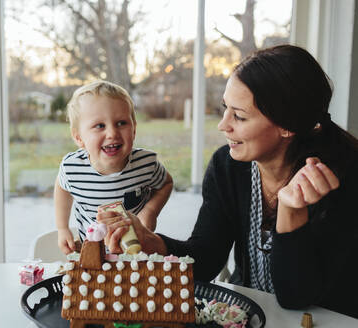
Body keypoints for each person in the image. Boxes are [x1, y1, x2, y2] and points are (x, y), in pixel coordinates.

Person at [97, 45, 358, 318]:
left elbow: (297, 297)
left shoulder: (342, 179)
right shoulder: (228, 166)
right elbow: (207, 259)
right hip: (251, 313)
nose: (223, 125)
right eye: (225, 109)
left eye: (239, 116)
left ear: (287, 126)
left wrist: (291, 211)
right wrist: (153, 243)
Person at [54, 80, 173, 255]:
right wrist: (62, 227)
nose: (112, 133)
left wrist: (150, 211)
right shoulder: (72, 168)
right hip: (93, 251)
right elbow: (62, 187)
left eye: (121, 123)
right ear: (79, 138)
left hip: (136, 251)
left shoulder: (146, 164)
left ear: (134, 130)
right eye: (99, 126)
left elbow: (166, 183)